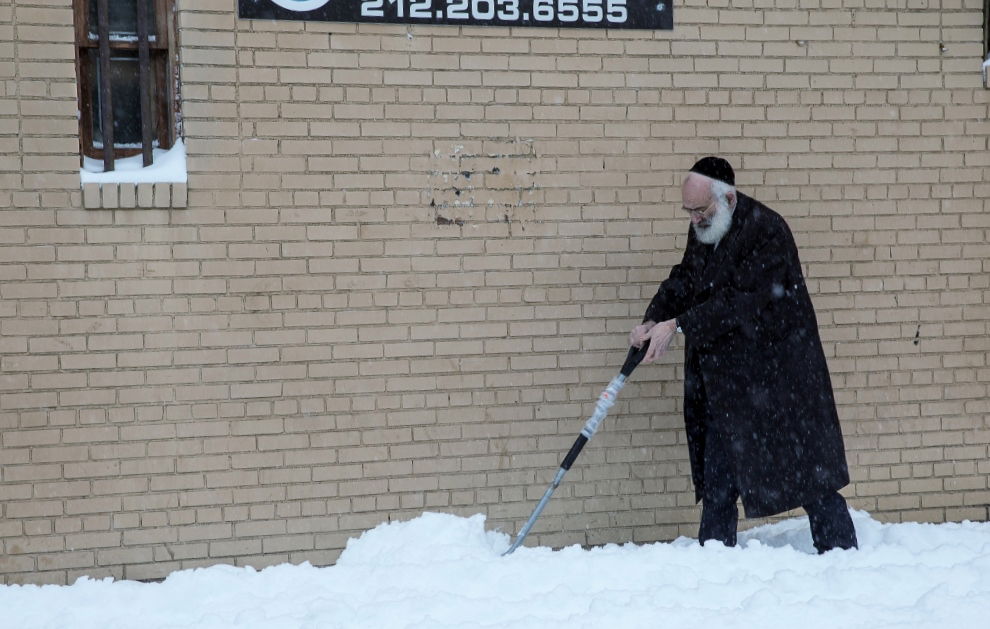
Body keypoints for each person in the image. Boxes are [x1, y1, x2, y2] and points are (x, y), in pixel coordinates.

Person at [630, 157, 858, 554]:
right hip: (728, 382)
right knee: (719, 480)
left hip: (778, 377)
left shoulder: (766, 231)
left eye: (701, 210)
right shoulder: (706, 228)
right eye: (688, 211)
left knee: (811, 480)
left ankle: (843, 558)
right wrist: (654, 318)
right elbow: (687, 277)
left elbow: (739, 300)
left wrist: (679, 325)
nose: (695, 219)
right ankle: (714, 564)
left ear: (729, 198)